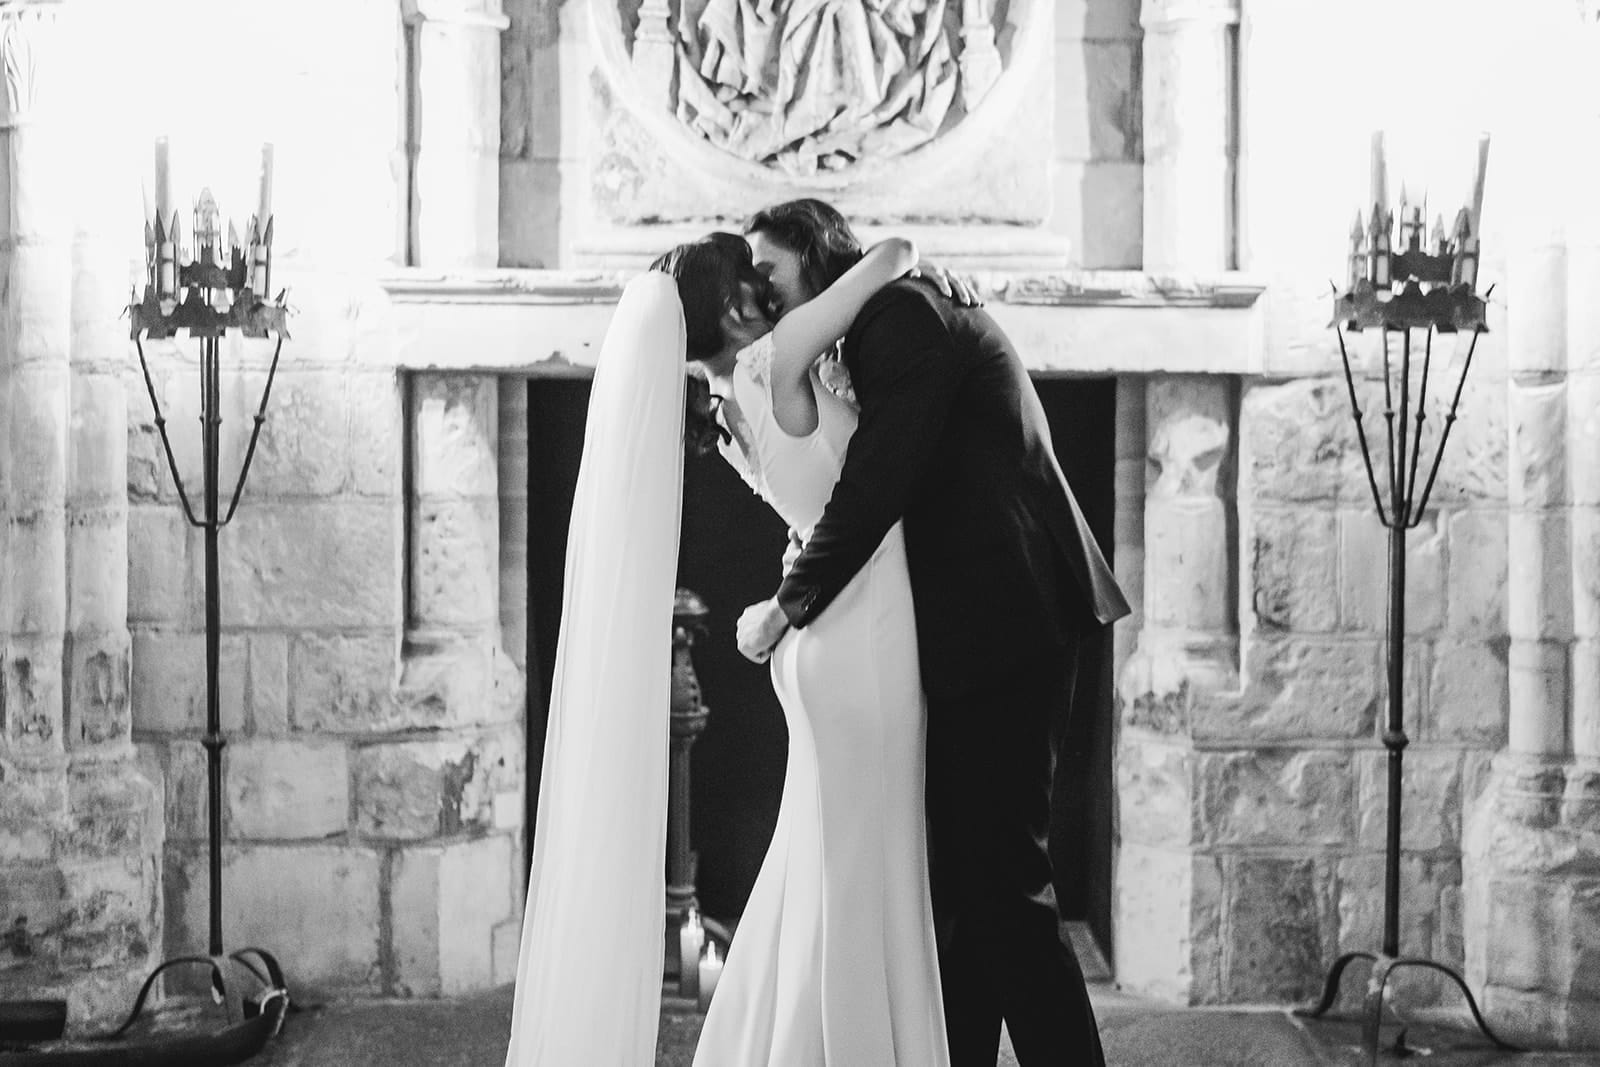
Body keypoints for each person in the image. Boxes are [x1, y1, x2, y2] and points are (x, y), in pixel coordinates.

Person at [734, 198, 1131, 1067]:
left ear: (815, 252)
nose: (756, 284)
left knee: (1007, 889)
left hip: (1008, 619)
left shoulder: (904, 315)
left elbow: (876, 485)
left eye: (769, 265)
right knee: (960, 890)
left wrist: (787, 603)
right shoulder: (879, 318)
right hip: (968, 628)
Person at [654, 231, 950, 1066]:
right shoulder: (767, 363)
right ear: (736, 308)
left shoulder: (725, 409)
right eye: (755, 279)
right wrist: (926, 266)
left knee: (827, 863)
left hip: (823, 632)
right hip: (862, 631)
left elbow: (814, 513)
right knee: (867, 869)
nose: (768, 289)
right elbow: (890, 253)